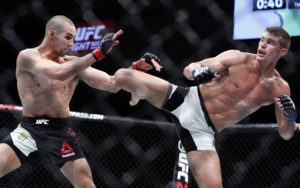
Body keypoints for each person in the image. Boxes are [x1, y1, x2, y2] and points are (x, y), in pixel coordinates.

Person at [114, 26, 298, 187]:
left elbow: (286, 133)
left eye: (271, 42)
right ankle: (138, 94)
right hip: (186, 101)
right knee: (123, 76)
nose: (262, 45)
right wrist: (198, 71)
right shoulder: (237, 58)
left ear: (282, 52)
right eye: (262, 40)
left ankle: (139, 93)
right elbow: (189, 69)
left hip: (202, 131)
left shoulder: (279, 88)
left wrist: (290, 118)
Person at [0, 15, 161, 188]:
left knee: (86, 185)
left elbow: (112, 84)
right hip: (29, 129)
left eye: (74, 39)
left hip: (58, 131)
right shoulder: (27, 57)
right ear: (51, 34)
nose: (71, 43)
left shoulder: (74, 63)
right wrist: (98, 53)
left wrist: (135, 69)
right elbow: (57, 73)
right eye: (68, 37)